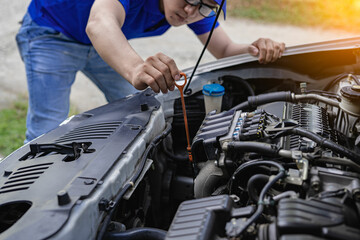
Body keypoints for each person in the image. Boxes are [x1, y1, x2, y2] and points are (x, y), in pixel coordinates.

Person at [16, 0, 285, 143]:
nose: (191, 10)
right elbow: (99, 23)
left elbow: (225, 48)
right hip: (51, 33)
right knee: (46, 130)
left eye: (205, 6)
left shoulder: (193, 9)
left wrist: (254, 48)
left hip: (100, 44)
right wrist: (135, 67)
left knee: (140, 112)